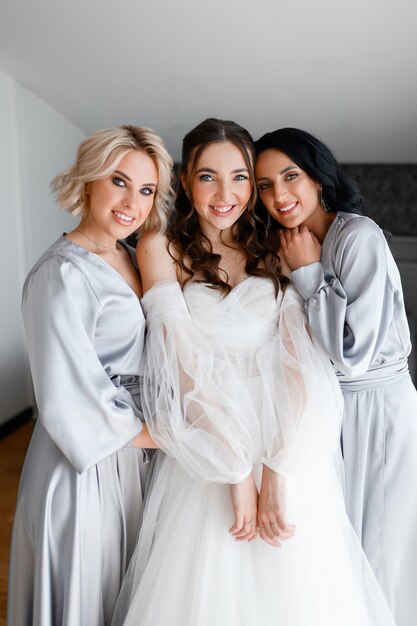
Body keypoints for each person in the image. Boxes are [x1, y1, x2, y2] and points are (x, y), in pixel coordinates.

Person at [112, 118, 395, 626]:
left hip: (287, 433)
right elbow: (179, 363)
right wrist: (235, 467)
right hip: (209, 436)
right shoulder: (161, 247)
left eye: (241, 177)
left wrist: (277, 466)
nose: (226, 194)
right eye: (208, 177)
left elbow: (300, 359)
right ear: (185, 179)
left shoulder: (278, 240)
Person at [7, 125, 174, 626]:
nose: (132, 202)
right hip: (84, 467)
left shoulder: (132, 254)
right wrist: (168, 435)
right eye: (119, 181)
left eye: (146, 190)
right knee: (85, 598)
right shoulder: (61, 273)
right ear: (88, 180)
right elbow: (64, 396)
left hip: (134, 458)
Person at [255, 126, 417, 626]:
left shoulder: (358, 236)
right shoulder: (287, 241)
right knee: (337, 543)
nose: (279, 195)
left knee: (381, 548)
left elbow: (352, 356)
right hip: (326, 411)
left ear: (318, 178)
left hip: (378, 408)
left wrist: (307, 273)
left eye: (291, 176)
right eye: (264, 185)